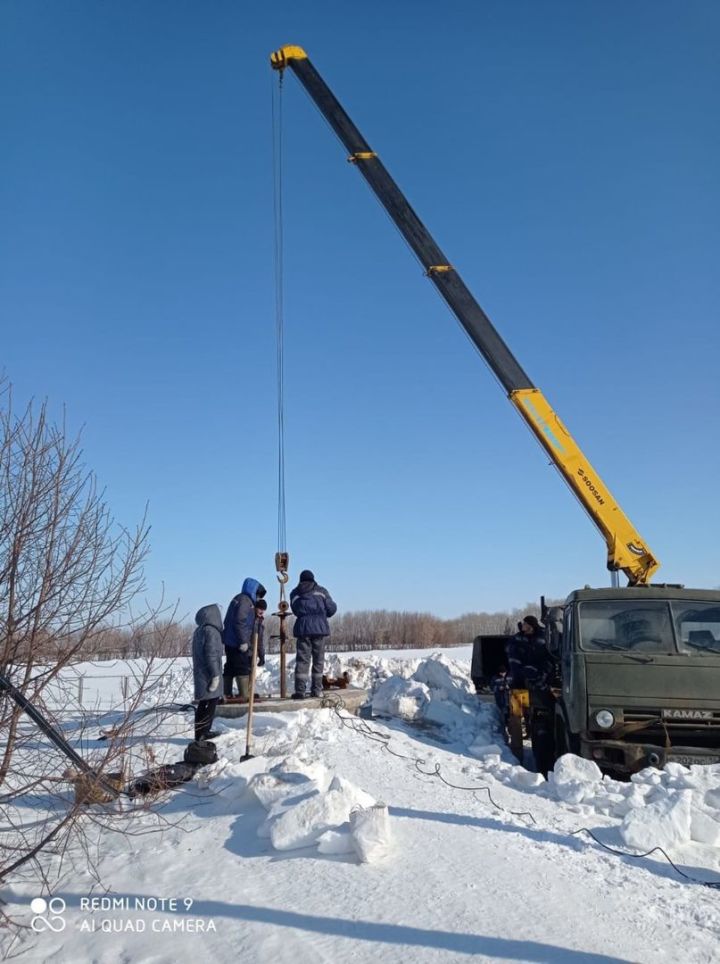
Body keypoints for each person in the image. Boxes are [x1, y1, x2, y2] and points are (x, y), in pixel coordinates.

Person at [290, 569, 337, 699]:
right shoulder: (321, 591)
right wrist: (321, 614)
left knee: (302, 660)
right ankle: (316, 690)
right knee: (318, 660)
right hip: (319, 629)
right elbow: (332, 609)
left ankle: (300, 691)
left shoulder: (295, 593)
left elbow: (295, 609)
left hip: (303, 629)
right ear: (313, 579)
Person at [222, 578, 267, 698]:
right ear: (253, 591)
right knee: (241, 667)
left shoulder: (238, 598)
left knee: (230, 666)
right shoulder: (246, 601)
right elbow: (239, 621)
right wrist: (243, 641)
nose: (258, 598)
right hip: (237, 642)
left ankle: (226, 693)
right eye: (258, 595)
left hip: (230, 640)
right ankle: (245, 694)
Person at [192, 604, 223, 741]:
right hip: (208, 675)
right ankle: (203, 732)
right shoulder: (211, 631)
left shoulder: (199, 630)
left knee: (203, 703)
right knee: (210, 702)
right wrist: (215, 675)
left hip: (201, 673)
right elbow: (211, 654)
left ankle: (200, 733)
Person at [232, 598, 268, 700]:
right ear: (256, 608)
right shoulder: (250, 619)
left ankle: (249, 692)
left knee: (251, 672)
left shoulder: (260, 622)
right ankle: (245, 694)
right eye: (260, 608)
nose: (262, 611)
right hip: (245, 650)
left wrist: (262, 656)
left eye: (263, 609)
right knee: (244, 671)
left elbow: (260, 640)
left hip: (253, 652)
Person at [506, 615, 553, 691]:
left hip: (541, 668)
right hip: (523, 669)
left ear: (530, 625)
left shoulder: (544, 634)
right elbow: (508, 648)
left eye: (525, 623)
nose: (523, 625)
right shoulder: (518, 637)